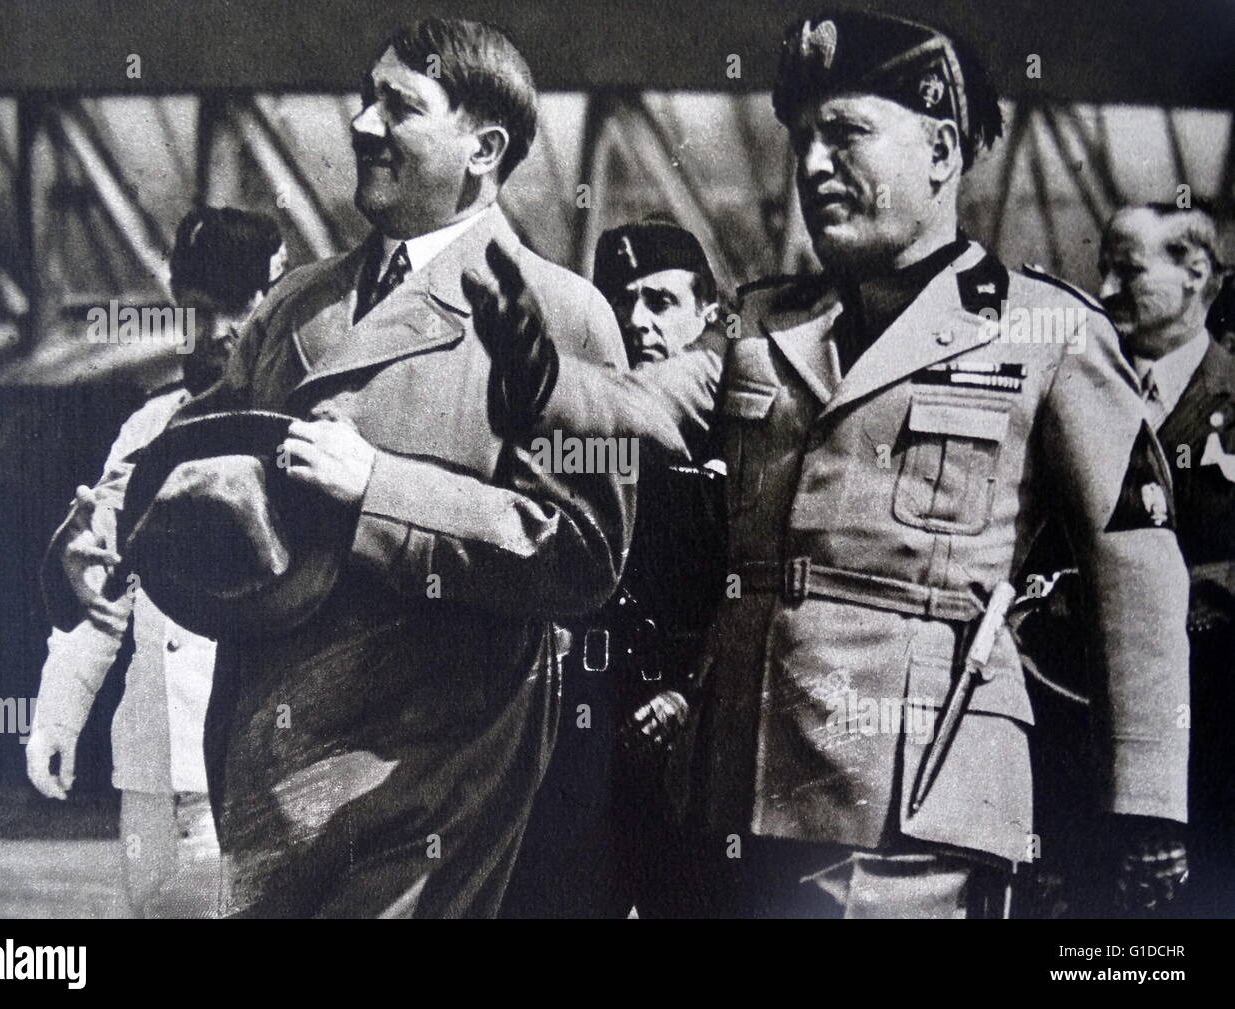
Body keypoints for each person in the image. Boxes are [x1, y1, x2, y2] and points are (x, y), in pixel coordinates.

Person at [469, 10, 1192, 918]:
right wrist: (542, 378)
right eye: (803, 139)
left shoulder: (1046, 331)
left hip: (911, 807)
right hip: (731, 789)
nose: (812, 165)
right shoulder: (765, 327)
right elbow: (645, 412)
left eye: (846, 134)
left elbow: (1137, 568)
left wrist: (1150, 805)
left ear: (940, 149)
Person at [134, 17, 631, 918]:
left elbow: (584, 557)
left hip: (430, 784)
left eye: (399, 105)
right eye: (367, 98)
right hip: (265, 772)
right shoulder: (294, 304)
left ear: (484, 148)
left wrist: (377, 488)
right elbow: (200, 471)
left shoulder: (562, 317)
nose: (362, 123)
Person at [28, 206, 287, 917]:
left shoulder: (298, 430)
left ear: (270, 305)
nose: (217, 331)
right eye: (198, 310)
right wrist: (58, 711)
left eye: (239, 309)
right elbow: (103, 590)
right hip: (147, 768)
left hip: (248, 766)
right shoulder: (146, 426)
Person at [502, 218, 726, 917]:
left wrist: (692, 691)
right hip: (583, 730)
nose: (636, 321)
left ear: (707, 313)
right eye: (620, 301)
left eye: (661, 302)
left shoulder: (744, 431)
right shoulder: (580, 436)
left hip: (699, 733)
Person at [1099, 202, 1235, 916]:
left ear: (1195, 273)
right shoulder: (1090, 393)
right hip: (1091, 737)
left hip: (1212, 743)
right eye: (1103, 269)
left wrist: (1161, 603)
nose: (1106, 291)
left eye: (1127, 271)